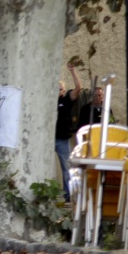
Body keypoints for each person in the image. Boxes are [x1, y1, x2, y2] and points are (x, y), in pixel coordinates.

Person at [56, 63, 82, 202]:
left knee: (66, 168)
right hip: (47, 140)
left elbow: (78, 88)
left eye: (62, 89)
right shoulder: (46, 101)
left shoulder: (66, 100)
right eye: (58, 89)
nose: (60, 91)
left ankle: (68, 196)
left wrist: (73, 71)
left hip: (62, 139)